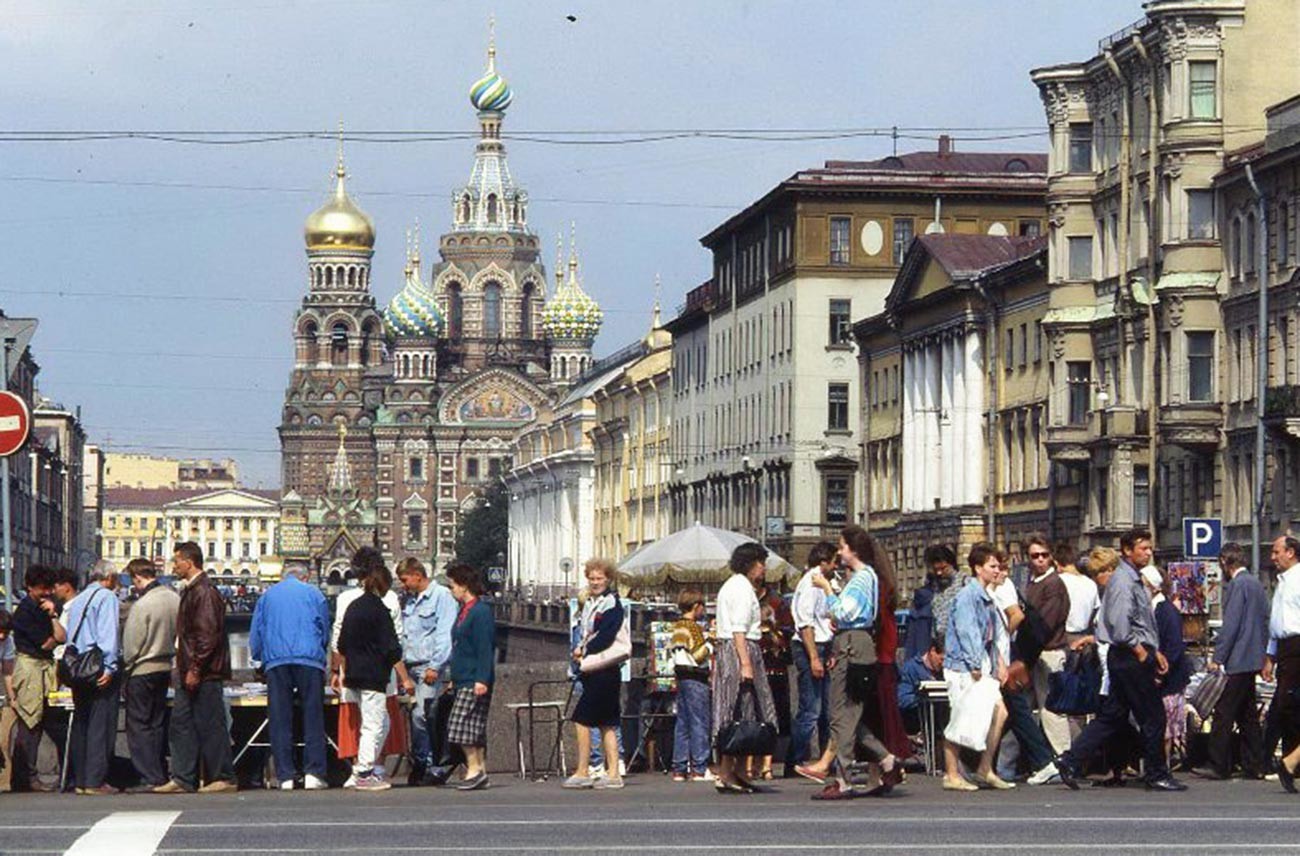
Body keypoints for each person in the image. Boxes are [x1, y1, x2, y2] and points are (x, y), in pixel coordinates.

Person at [1055, 529, 1186, 792]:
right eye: (1143, 548)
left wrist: (1155, 650)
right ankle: (1156, 773)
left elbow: (1140, 623)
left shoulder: (1131, 578)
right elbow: (1120, 625)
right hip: (1129, 656)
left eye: (1149, 548)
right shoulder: (1124, 582)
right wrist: (1142, 652)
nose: (1148, 553)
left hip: (1130, 654)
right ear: (1127, 550)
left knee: (1112, 716)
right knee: (1153, 716)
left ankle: (1070, 760)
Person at [809, 526, 900, 800]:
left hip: (852, 644)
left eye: (842, 546)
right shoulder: (866, 577)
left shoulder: (861, 579)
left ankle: (843, 777)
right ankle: (886, 759)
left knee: (842, 712)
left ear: (854, 550)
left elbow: (843, 611)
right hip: (855, 642)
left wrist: (826, 588)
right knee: (849, 715)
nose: (839, 552)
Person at [155, 541, 237, 794]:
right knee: (182, 724)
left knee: (211, 723)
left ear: (189, 562)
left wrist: (196, 668)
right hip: (189, 666)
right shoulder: (193, 590)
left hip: (203, 671)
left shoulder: (203, 592)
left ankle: (223, 776)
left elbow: (207, 634)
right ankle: (183, 777)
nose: (174, 565)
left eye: (177, 561)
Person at [250, 562, 331, 791]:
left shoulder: (267, 596)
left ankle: (285, 775)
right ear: (305, 577)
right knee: (313, 716)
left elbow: (257, 632)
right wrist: (320, 652)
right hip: (309, 659)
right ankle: (314, 773)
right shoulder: (315, 594)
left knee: (279, 717)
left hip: (276, 661)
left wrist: (259, 658)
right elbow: (325, 628)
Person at [331, 547, 407, 788]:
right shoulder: (383, 607)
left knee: (379, 721)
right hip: (374, 674)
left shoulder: (349, 603)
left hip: (352, 673)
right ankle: (365, 772)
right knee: (374, 724)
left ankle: (362, 770)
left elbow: (339, 642)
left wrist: (338, 670)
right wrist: (403, 674)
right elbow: (393, 644)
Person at [941, 542, 1011, 792]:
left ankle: (985, 767)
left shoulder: (986, 597)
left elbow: (990, 637)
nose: (996, 570)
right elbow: (967, 632)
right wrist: (974, 665)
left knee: (999, 712)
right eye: (992, 566)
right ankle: (951, 773)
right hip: (963, 666)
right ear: (978, 568)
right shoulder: (968, 596)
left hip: (981, 664)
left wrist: (1000, 663)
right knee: (960, 717)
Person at [712, 542, 778, 795]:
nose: (763, 569)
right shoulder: (740, 588)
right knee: (737, 710)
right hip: (739, 650)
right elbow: (738, 629)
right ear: (751, 564)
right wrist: (746, 664)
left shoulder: (738, 586)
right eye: (761, 563)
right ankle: (727, 772)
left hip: (739, 648)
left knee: (746, 712)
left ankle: (737, 771)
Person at [1201, 542, 1269, 780]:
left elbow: (1231, 626)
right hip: (1253, 656)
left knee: (1223, 712)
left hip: (1238, 658)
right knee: (1247, 713)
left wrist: (1218, 657)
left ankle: (1218, 764)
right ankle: (1255, 763)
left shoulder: (1237, 585)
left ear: (1224, 562)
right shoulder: (1256, 584)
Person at [564, 559, 627, 790]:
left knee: (581, 719)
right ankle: (613, 773)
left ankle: (583, 770)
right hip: (605, 671)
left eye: (599, 578)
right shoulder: (596, 602)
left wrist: (585, 649)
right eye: (591, 578)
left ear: (608, 579)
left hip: (602, 669)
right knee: (607, 722)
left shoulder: (611, 604)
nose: (595, 582)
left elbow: (606, 635)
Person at [120, 557, 180, 793]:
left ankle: (148, 776)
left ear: (137, 578)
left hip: (142, 669)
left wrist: (126, 668)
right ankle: (161, 772)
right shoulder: (174, 598)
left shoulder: (143, 605)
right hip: (165, 667)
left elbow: (132, 644)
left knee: (138, 725)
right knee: (157, 722)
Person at [397, 557, 458, 787]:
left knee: (421, 715)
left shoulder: (441, 596)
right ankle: (424, 762)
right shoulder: (411, 600)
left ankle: (427, 763)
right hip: (410, 665)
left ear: (416, 574)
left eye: (404, 580)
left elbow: (444, 633)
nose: (403, 585)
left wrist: (435, 665)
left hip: (428, 667)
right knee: (418, 715)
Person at [62, 561, 122, 795]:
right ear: (110, 578)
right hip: (96, 667)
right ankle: (95, 780)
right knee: (101, 724)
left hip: (78, 668)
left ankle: (80, 778)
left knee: (81, 723)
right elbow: (108, 634)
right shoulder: (106, 597)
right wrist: (110, 667)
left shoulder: (80, 599)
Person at [9, 565, 65, 792]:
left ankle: (31, 775)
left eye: (49, 589)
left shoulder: (46, 608)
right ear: (30, 587)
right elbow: (47, 643)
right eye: (42, 589)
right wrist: (53, 632)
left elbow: (61, 636)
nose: (47, 593)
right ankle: (25, 776)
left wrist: (53, 616)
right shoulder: (24, 612)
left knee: (43, 722)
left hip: (44, 667)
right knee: (30, 722)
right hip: (31, 668)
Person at [445, 562, 496, 791]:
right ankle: (479, 770)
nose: (451, 590)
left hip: (474, 677)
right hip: (463, 676)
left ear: (464, 586)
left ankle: (474, 768)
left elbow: (485, 647)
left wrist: (482, 679)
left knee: (460, 725)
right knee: (472, 727)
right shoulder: (463, 611)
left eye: (453, 585)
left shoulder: (480, 611)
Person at [788, 541, 835, 777]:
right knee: (811, 708)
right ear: (824, 562)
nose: (836, 565)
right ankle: (794, 759)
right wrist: (814, 657)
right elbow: (805, 623)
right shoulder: (810, 583)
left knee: (827, 709)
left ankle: (827, 760)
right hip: (809, 646)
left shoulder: (825, 583)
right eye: (834, 561)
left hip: (824, 645)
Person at [1023, 535, 1071, 757]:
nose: (1040, 560)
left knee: (1051, 708)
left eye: (1044, 555)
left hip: (1049, 652)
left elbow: (1044, 624)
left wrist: (1025, 657)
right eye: (1035, 556)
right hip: (1035, 653)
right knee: (1022, 708)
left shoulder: (1053, 584)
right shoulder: (1033, 582)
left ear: (1051, 557)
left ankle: (1064, 757)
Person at [1143, 565, 1191, 769]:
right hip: (1158, 677)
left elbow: (1173, 647)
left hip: (1168, 680)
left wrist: (1161, 673)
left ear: (1154, 587)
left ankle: (1162, 767)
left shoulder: (1166, 611)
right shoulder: (1151, 609)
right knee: (1159, 726)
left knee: (1166, 728)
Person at [1264, 535, 1300, 793]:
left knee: (1288, 705)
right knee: (1286, 706)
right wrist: (1270, 656)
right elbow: (1277, 624)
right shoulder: (1282, 582)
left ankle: (1291, 761)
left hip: (1298, 647)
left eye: (1277, 552)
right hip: (1286, 650)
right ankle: (1291, 761)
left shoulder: (1298, 580)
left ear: (1291, 552)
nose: (1273, 557)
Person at [669, 588, 712, 782]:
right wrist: (711, 641)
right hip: (696, 677)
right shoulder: (692, 627)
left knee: (683, 723)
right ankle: (699, 768)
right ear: (696, 607)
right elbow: (698, 655)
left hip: (681, 676)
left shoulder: (678, 626)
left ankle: (679, 768)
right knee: (699, 722)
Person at [910, 545, 958, 660]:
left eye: (943, 568)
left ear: (952, 565)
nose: (939, 573)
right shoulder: (931, 590)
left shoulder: (965, 586)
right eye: (936, 570)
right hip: (938, 651)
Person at [897, 639, 943, 735]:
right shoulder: (911, 668)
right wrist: (921, 696)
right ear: (932, 651)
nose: (942, 664)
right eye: (941, 659)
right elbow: (901, 699)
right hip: (918, 723)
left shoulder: (945, 672)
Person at [0, 610, 18, 792]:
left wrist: (12, 697)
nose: (1, 636)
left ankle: (4, 782)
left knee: (3, 740)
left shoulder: (8, 642)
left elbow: (7, 672)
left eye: (5, 632)